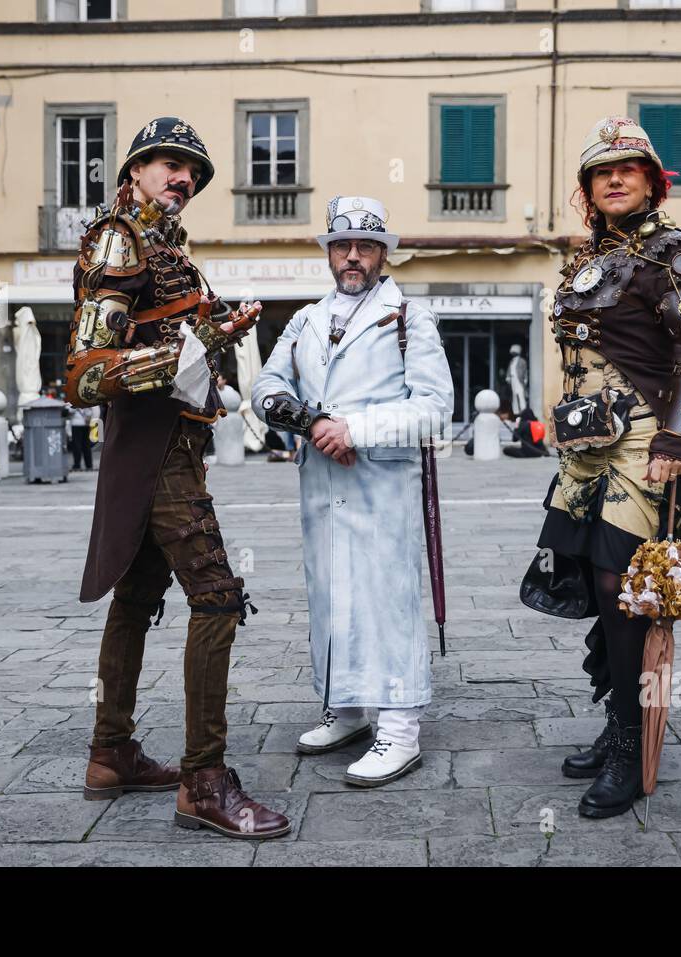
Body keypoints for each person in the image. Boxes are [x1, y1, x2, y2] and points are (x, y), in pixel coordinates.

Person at [64, 116, 287, 839]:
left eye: (193, 171)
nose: (184, 177)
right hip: (153, 447)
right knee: (217, 597)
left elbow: (159, 334)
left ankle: (111, 753)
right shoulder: (119, 239)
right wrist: (187, 352)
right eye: (169, 163)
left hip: (175, 441)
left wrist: (213, 334)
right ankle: (204, 781)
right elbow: (85, 373)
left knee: (135, 596)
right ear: (134, 170)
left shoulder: (165, 247)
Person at [534, 116, 681, 819]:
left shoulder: (674, 252)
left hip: (645, 439)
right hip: (585, 442)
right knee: (592, 579)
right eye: (601, 172)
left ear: (651, 181)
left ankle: (628, 745)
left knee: (625, 588)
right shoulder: (591, 258)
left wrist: (676, 438)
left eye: (628, 169)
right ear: (588, 188)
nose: (614, 179)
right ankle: (617, 721)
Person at [254, 195, 454, 788]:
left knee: (386, 599)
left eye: (365, 246)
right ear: (329, 252)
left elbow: (435, 409)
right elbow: (266, 386)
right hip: (321, 483)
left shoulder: (410, 318)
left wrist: (355, 430)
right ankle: (345, 708)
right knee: (330, 597)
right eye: (342, 245)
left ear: (382, 253)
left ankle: (400, 727)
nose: (352, 256)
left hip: (383, 484)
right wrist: (313, 422)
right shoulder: (305, 320)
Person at [67, 402, 96, 471]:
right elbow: (90, 411)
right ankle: (89, 465)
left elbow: (69, 411)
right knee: (86, 445)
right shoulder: (85, 400)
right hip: (86, 424)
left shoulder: (73, 401)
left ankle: (77, 465)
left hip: (76, 424)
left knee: (77, 445)